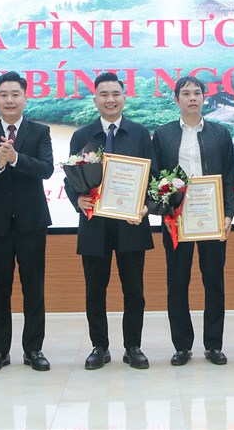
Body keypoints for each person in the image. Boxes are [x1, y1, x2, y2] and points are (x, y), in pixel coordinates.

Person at [65, 72, 156, 370]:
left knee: (134, 291)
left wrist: (145, 208)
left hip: (131, 224)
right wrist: (77, 200)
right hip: (95, 224)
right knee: (95, 290)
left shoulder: (140, 134)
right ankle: (99, 347)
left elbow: (153, 179)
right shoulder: (82, 136)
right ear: (95, 99)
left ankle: (133, 346)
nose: (110, 99)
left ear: (124, 98)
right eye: (103, 94)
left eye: (115, 93)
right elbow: (70, 177)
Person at [0, 71, 54, 373]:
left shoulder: (40, 131)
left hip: (32, 223)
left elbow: (46, 169)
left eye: (15, 94)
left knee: (34, 288)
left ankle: (34, 350)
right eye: (3, 94)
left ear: (25, 98)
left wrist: (15, 158)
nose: (9, 100)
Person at [151, 76, 234, 366]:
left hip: (212, 217)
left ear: (204, 97)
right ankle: (182, 346)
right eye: (185, 93)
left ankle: (213, 345)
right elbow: (155, 178)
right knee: (177, 282)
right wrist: (164, 211)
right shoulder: (162, 134)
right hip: (176, 219)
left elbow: (229, 176)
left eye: (197, 93)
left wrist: (229, 213)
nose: (192, 98)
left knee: (214, 282)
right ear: (176, 99)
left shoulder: (220, 133)